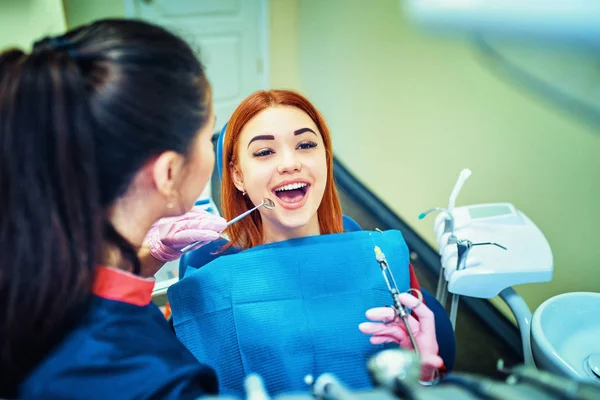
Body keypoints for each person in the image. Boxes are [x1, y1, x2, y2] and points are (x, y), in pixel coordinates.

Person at [0, 19, 228, 399]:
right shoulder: (152, 378)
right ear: (168, 172)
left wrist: (145, 259)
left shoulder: (27, 272)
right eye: (208, 136)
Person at [165, 90, 444, 396]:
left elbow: (417, 378)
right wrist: (141, 261)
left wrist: (425, 378)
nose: (289, 163)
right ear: (237, 176)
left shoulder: (381, 258)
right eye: (264, 152)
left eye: (306, 145)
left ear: (325, 158)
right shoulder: (206, 278)